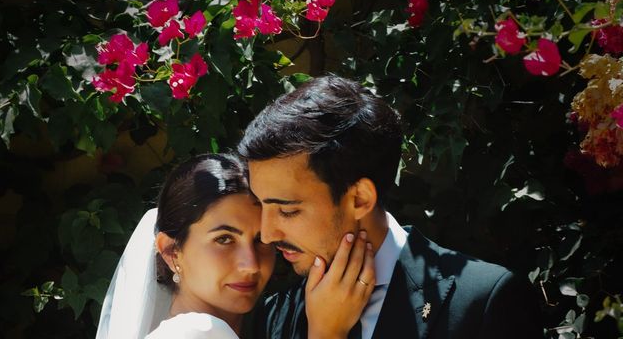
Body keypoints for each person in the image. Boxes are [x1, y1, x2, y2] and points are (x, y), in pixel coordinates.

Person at [238, 75, 544, 339]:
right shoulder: (275, 314)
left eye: (288, 210)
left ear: (360, 199)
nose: (267, 234)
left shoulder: (483, 300)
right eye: (261, 205)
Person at [96, 153, 374, 339]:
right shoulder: (198, 333)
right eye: (224, 239)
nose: (251, 264)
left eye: (260, 240)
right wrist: (327, 333)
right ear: (171, 251)